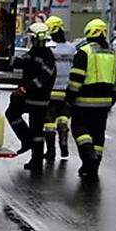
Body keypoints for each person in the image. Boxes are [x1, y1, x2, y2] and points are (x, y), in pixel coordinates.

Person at [67, 18, 116, 178]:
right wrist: (112, 100)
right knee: (98, 134)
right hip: (104, 103)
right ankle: (93, 168)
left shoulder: (84, 52)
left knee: (79, 129)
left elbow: (76, 79)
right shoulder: (113, 54)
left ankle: (88, 155)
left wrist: (70, 98)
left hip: (83, 102)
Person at [6, 21, 56, 171]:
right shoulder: (34, 52)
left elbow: (43, 78)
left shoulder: (48, 57)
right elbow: (23, 62)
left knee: (37, 130)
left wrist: (24, 89)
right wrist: (5, 57)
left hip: (39, 99)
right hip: (29, 96)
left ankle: (37, 160)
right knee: (12, 113)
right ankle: (27, 140)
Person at [43, 15, 75, 161]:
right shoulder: (71, 48)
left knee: (49, 122)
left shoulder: (49, 48)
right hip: (66, 91)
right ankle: (64, 144)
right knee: (63, 119)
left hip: (51, 90)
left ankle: (50, 151)